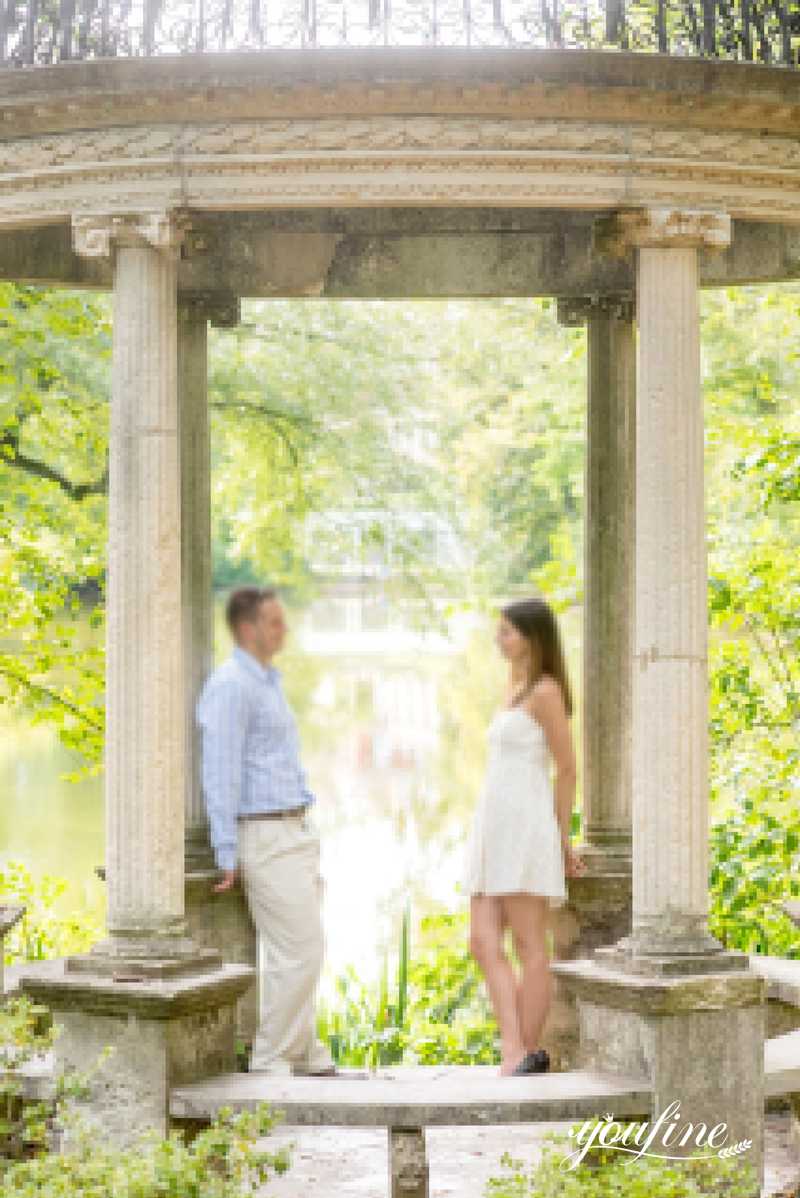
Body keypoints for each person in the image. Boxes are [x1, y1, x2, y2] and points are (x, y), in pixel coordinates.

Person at [196, 585, 345, 1077]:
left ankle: (301, 1051)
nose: (284, 629)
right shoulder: (231, 685)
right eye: (274, 622)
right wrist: (225, 848)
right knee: (299, 949)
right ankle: (272, 1061)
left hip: (294, 829)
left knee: (303, 947)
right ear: (247, 629)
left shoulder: (266, 682)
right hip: (263, 834)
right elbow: (220, 770)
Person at [462, 595, 586, 1077]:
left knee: (531, 945)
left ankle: (522, 1051)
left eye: (507, 631)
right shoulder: (512, 686)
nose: (499, 638)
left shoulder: (546, 692)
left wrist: (562, 838)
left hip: (525, 825)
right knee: (481, 940)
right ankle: (516, 1049)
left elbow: (568, 770)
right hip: (494, 825)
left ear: (532, 638)